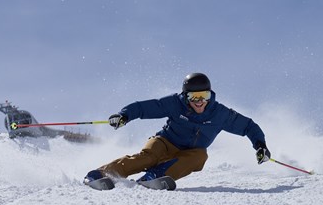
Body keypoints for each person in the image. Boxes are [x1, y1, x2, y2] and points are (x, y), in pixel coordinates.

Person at [84, 72, 271, 185]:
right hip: (164, 142)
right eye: (193, 97)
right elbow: (145, 107)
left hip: (190, 152)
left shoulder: (219, 114)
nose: (199, 102)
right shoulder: (175, 103)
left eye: (203, 96)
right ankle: (99, 174)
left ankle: (155, 176)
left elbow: (248, 126)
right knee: (148, 157)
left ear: (210, 95)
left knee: (200, 156)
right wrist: (124, 115)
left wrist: (260, 145)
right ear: (185, 96)